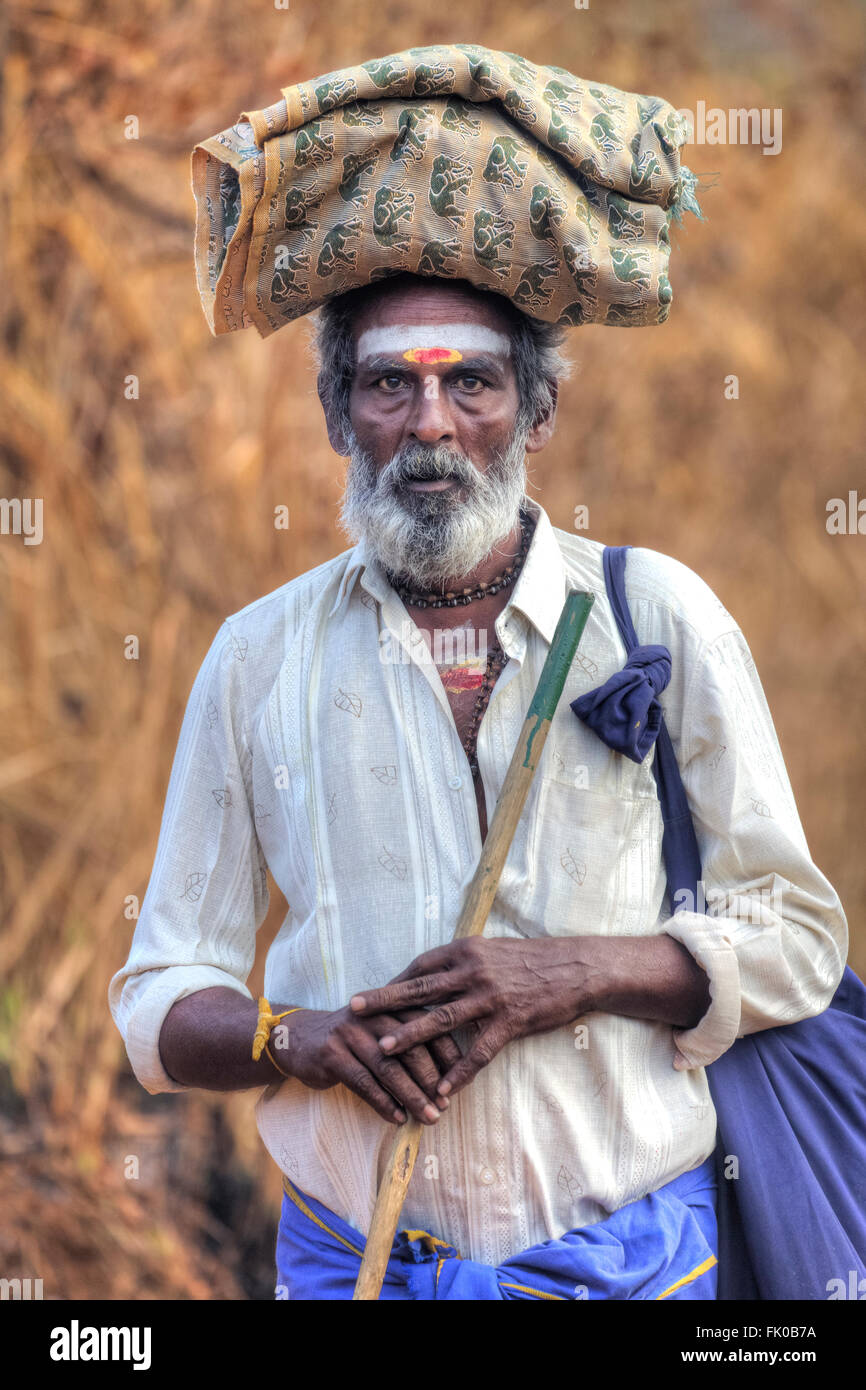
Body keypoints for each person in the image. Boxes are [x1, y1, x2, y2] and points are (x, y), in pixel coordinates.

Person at [109, 46, 848, 1300]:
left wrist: (567, 974)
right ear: (341, 414)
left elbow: (795, 939)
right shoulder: (258, 659)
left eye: (474, 387)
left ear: (537, 413)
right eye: (389, 387)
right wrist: (303, 1039)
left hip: (639, 1267)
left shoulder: (654, 616)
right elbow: (159, 993)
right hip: (361, 1263)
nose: (433, 428)